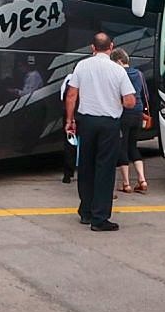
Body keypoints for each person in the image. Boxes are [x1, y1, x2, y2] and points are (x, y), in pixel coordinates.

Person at [63, 32, 135, 232]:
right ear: (111, 47)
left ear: (92, 48)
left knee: (86, 166)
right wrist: (114, 101)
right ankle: (99, 218)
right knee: (105, 169)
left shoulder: (82, 66)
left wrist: (70, 120)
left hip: (87, 122)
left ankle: (85, 211)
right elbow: (130, 101)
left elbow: (71, 95)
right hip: (109, 124)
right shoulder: (118, 70)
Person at [112, 48, 149, 195]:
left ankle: (126, 183)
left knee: (122, 146)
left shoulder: (118, 74)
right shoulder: (139, 74)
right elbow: (145, 94)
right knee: (133, 146)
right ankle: (142, 180)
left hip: (124, 113)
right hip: (138, 113)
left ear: (119, 61)